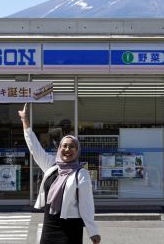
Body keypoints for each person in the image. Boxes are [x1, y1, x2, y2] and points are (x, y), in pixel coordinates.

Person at [19, 103, 101, 244]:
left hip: (70, 226)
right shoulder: (52, 166)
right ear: (59, 148)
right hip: (50, 223)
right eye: (64, 146)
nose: (67, 149)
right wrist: (24, 120)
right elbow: (34, 148)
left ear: (77, 151)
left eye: (72, 147)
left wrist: (92, 232)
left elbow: (86, 205)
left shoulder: (81, 174)